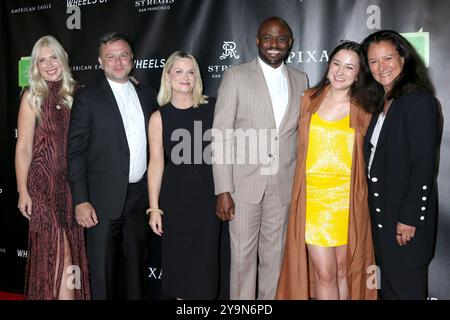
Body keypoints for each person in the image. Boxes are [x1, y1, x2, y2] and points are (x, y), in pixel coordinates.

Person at [212, 16, 309, 300]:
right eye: (267, 37)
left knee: (275, 261)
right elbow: (221, 134)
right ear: (257, 40)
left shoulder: (300, 78)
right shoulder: (236, 76)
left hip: (282, 185)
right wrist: (223, 189)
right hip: (243, 187)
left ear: (290, 43)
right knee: (242, 261)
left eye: (281, 39)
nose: (274, 44)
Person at [276, 41, 378, 300]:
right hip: (314, 203)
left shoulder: (364, 109)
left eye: (349, 67)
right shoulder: (309, 99)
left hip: (348, 202)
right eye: (336, 64)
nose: (340, 72)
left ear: (358, 75)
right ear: (328, 65)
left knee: (343, 271)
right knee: (324, 273)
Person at [67, 32, 157, 299]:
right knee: (103, 273)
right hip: (101, 201)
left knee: (136, 270)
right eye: (110, 57)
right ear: (100, 61)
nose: (118, 62)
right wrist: (81, 200)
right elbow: (75, 153)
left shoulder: (148, 94)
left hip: (139, 198)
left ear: (132, 59)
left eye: (123, 55)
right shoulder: (88, 98)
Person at [361, 30, 439, 300]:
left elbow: (424, 166)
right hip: (382, 220)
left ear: (403, 59)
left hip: (404, 225)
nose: (381, 67)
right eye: (373, 61)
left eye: (387, 58)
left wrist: (409, 218)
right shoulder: (382, 104)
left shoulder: (418, 101)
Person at [15, 35, 90, 300]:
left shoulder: (79, 94)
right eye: (42, 60)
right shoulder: (32, 96)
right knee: (60, 252)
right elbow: (23, 147)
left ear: (63, 59)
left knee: (69, 255)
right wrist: (23, 191)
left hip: (71, 186)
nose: (48, 65)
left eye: (53, 57)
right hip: (43, 185)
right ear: (35, 65)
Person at [147, 51, 222, 300]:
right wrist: (154, 208)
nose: (185, 77)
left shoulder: (214, 107)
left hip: (210, 203)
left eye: (191, 71)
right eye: (178, 71)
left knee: (207, 272)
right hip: (176, 204)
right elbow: (156, 164)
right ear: (167, 76)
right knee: (181, 273)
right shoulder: (159, 117)